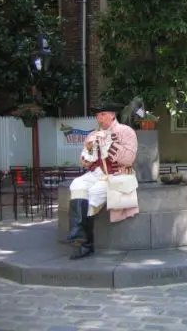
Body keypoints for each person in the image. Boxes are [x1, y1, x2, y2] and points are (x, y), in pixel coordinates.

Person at [66, 102, 139, 260]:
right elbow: (84, 161)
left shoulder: (126, 132)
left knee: (92, 195)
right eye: (98, 115)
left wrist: (108, 145)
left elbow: (129, 159)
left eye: (103, 114)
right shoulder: (92, 134)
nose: (100, 118)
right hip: (95, 173)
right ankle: (78, 237)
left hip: (116, 175)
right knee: (76, 185)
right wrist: (91, 147)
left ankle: (84, 243)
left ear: (113, 115)